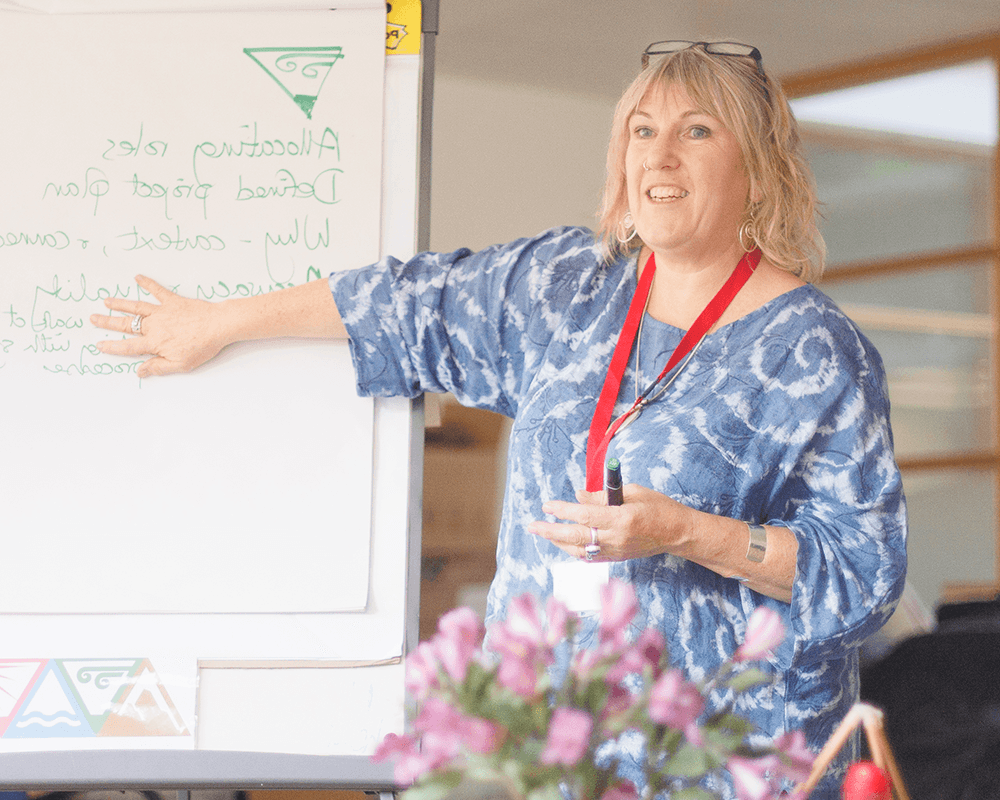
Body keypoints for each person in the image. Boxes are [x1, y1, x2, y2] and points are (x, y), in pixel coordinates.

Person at [91, 41, 907, 798]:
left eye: (696, 131)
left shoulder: (815, 351)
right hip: (538, 755)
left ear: (759, 172)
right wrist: (219, 324)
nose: (658, 156)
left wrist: (686, 533)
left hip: (722, 764)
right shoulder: (566, 289)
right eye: (641, 129)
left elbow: (863, 576)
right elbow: (403, 303)